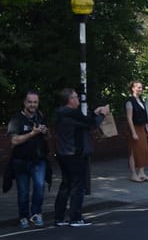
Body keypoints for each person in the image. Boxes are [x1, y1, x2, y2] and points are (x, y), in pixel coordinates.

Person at [53, 88, 109, 226]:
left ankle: (59, 217)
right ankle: (75, 217)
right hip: (75, 154)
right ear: (70, 100)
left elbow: (84, 121)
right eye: (76, 97)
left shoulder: (60, 113)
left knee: (65, 184)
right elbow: (91, 124)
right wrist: (102, 114)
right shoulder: (72, 113)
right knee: (78, 186)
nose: (78, 99)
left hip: (62, 153)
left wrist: (94, 113)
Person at [7, 91, 50, 227]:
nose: (32, 105)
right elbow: (14, 141)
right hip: (21, 160)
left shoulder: (40, 116)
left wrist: (44, 131)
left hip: (38, 160)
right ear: (25, 103)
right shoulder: (16, 119)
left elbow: (48, 137)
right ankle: (23, 217)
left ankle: (36, 214)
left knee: (40, 186)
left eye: (35, 102)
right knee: (23, 191)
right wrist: (32, 133)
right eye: (30, 102)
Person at [126, 81, 148, 182]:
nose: (140, 89)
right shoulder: (129, 101)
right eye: (138, 87)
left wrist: (146, 127)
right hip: (134, 128)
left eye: (141, 88)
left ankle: (142, 173)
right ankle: (133, 174)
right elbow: (129, 118)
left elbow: (144, 115)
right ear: (133, 88)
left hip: (142, 127)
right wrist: (133, 132)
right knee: (133, 151)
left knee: (143, 150)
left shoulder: (141, 100)